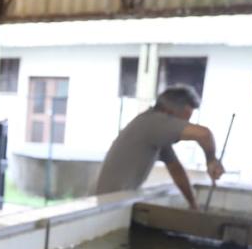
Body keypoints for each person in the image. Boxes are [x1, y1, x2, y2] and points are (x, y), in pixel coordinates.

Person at [95, 85, 224, 209]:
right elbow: (204, 134)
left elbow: (176, 170)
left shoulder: (156, 132)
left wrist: (193, 205)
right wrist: (211, 161)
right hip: (107, 205)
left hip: (111, 202)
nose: (185, 124)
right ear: (171, 110)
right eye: (185, 119)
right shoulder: (154, 122)